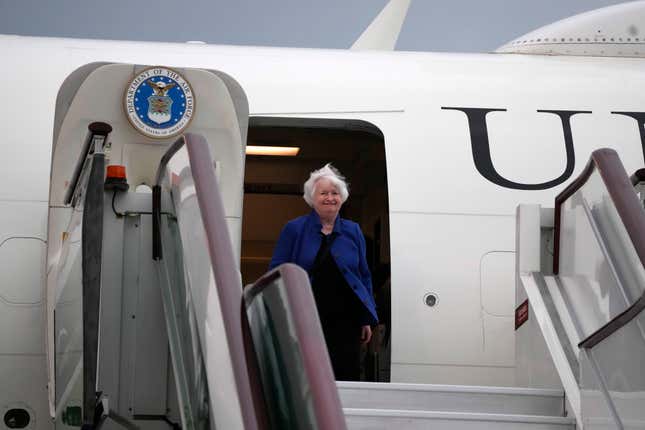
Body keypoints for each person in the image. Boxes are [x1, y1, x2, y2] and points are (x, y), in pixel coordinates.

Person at [269, 163, 378, 381]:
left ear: (342, 197)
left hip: (346, 320)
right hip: (306, 314)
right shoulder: (294, 229)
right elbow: (276, 270)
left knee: (346, 373)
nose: (330, 198)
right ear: (312, 197)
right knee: (308, 374)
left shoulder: (353, 230)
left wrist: (365, 317)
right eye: (324, 193)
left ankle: (344, 415)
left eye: (335, 193)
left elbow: (363, 275)